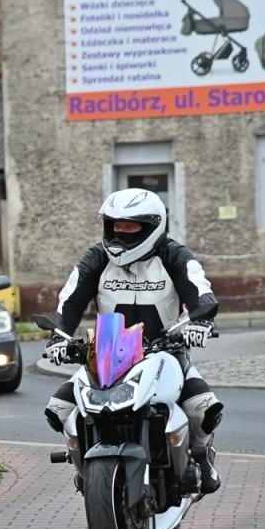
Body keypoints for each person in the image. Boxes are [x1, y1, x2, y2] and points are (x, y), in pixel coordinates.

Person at [43, 189, 225, 494]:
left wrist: (201, 321)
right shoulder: (97, 257)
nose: (121, 232)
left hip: (166, 350)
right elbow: (70, 300)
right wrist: (58, 336)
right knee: (59, 408)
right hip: (108, 353)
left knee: (201, 409)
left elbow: (199, 289)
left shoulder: (174, 255)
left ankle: (200, 455)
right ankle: (85, 466)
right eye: (116, 224)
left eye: (131, 226)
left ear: (152, 227)